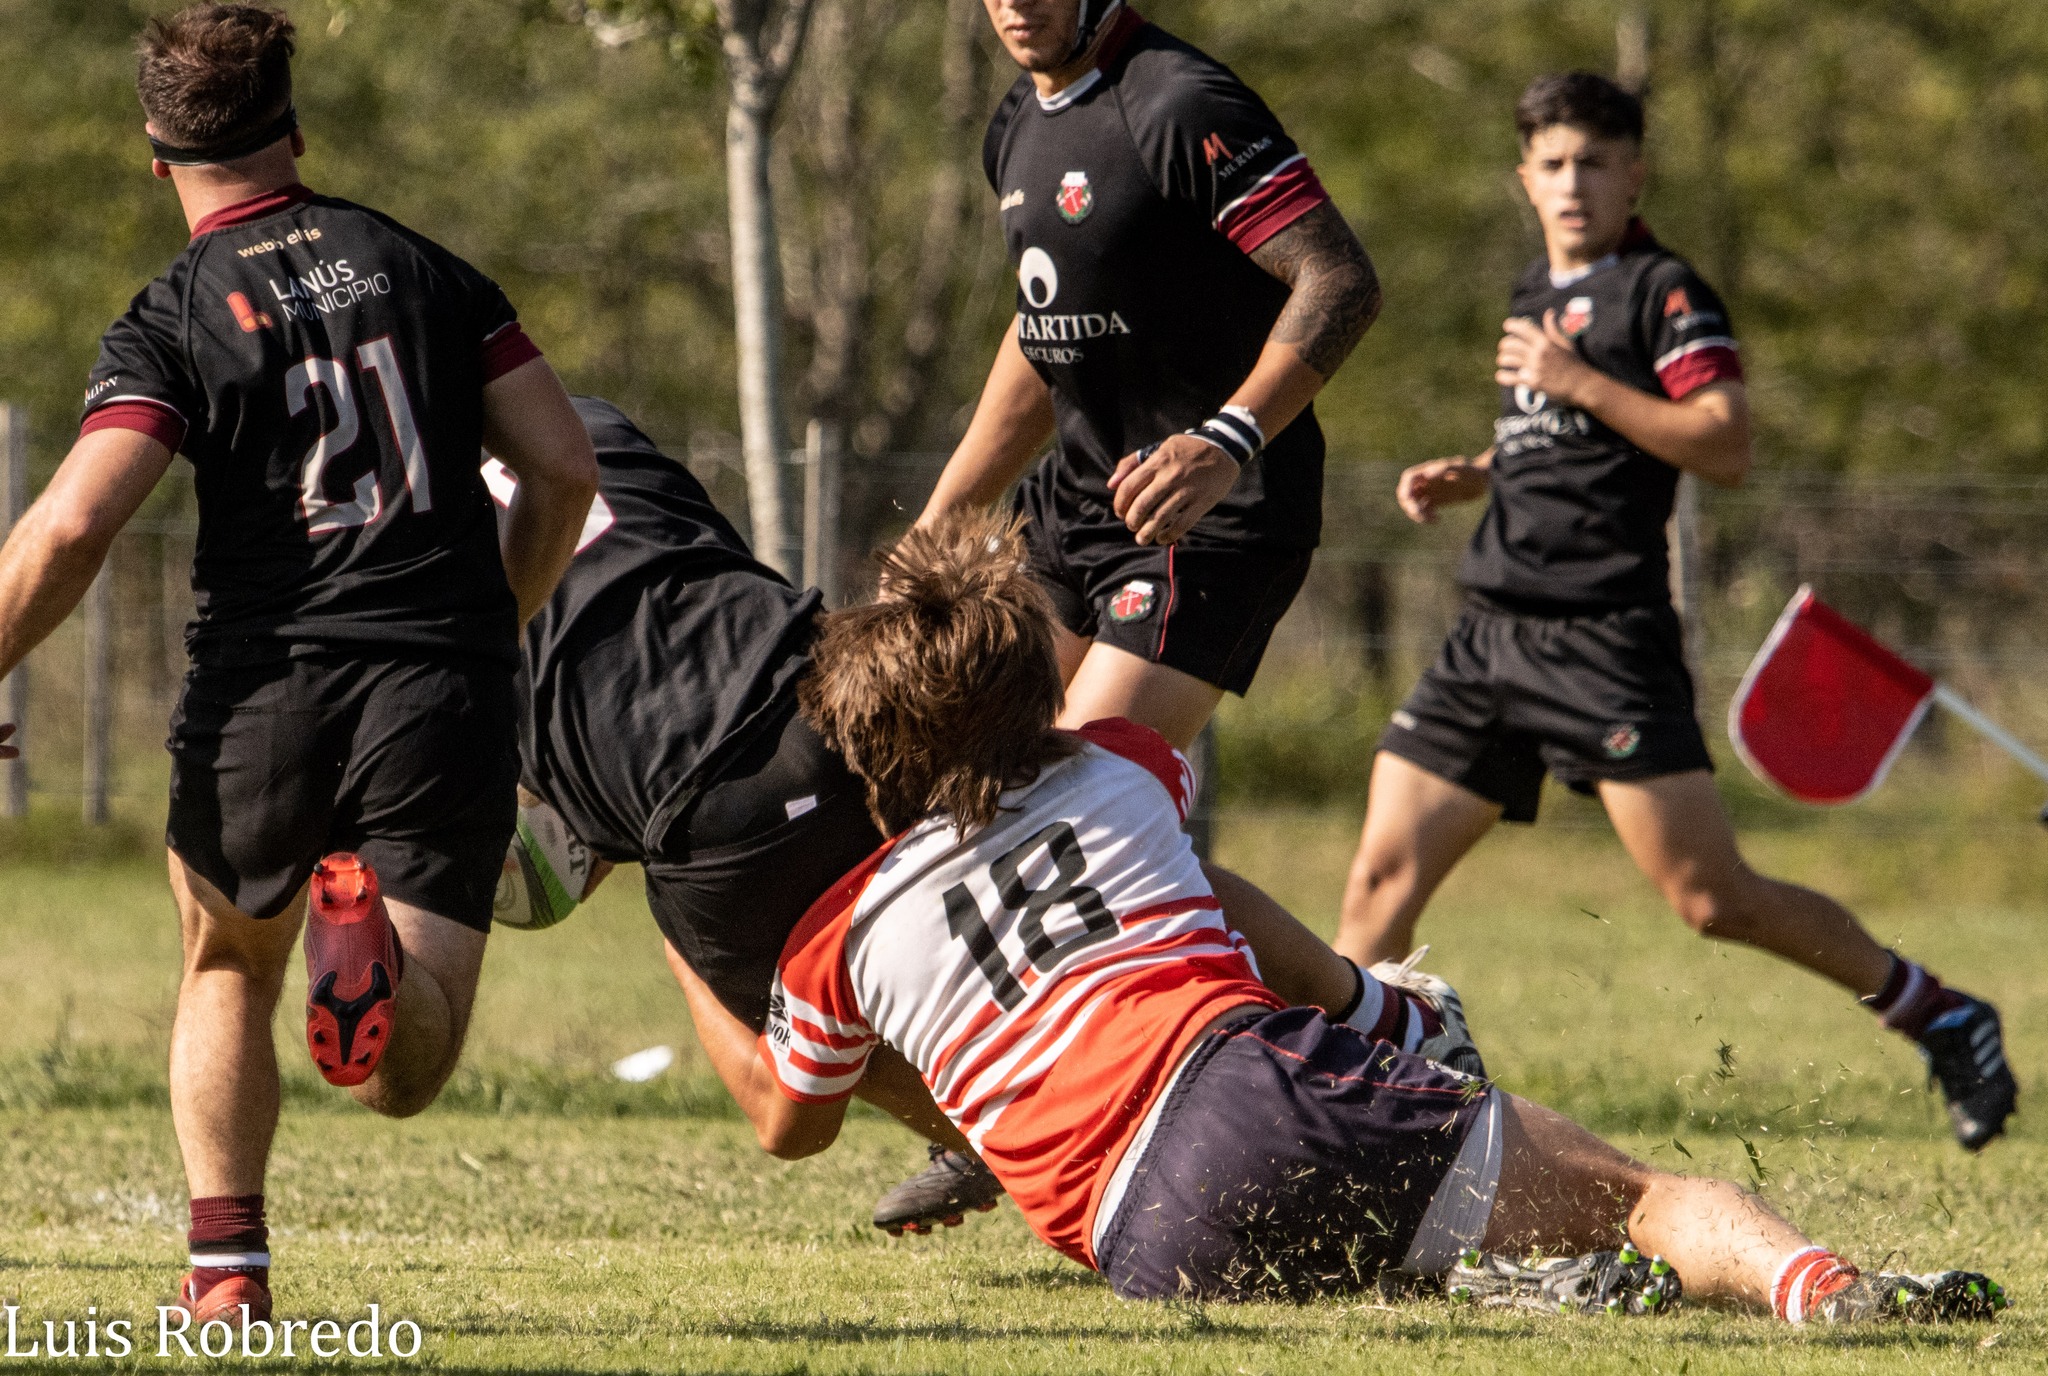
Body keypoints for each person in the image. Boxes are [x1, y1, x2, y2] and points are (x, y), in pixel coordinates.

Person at [680, 512, 2004, 1323]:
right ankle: (1821, 1290)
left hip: (1143, 1244)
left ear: (866, 753)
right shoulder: (1122, 766)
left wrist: (688, 943)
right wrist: (1372, 1008)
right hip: (1256, 1094)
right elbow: (1216, 904)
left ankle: (1518, 1269)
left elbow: (790, 1119)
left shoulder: (833, 941)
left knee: (1392, 1243)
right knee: (1648, 1199)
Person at [495, 397, 1477, 1236]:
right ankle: (1382, 1010)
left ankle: (1002, 1131)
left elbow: (785, 1126)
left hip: (702, 815)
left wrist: (671, 924)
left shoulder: (374, 530)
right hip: (829, 683)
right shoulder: (579, 420)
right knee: (1122, 849)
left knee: (805, 1056)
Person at [0, 5, 596, 1322]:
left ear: (156, 160)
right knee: (405, 1065)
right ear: (297, 131)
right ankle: (371, 955)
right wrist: (498, 617)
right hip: (439, 679)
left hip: (259, 692)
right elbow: (561, 465)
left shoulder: (175, 315)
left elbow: (78, 520)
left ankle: (226, 1277)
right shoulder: (424, 270)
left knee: (226, 962)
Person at [1331, 72, 2015, 1151]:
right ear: (1523, 177)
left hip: (1605, 640)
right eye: (1551, 163)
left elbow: (1722, 441)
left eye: (1593, 162)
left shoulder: (1663, 293)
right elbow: (1557, 449)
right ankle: (1345, 1118)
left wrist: (1577, 380)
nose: (1571, 183)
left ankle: (1941, 1011)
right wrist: (1473, 473)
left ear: (1632, 173)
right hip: (1487, 634)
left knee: (1711, 897)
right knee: (1376, 882)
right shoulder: (1526, 295)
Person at [918, 0, 1379, 751]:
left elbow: (1340, 279)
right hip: (1074, 507)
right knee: (952, 760)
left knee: (1071, 808)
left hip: (1208, 524)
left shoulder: (1179, 102)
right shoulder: (1013, 125)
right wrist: (941, 519)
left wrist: (1225, 442)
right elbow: (1046, 326)